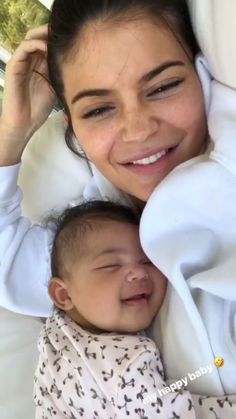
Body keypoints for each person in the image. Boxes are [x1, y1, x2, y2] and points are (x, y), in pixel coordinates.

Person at [0, 0, 235, 404]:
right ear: (72, 127)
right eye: (99, 109)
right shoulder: (93, 239)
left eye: (163, 87)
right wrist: (12, 133)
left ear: (201, 72)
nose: (139, 130)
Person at [34, 200, 234, 418]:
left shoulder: (56, 335)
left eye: (148, 262)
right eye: (111, 265)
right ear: (63, 294)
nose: (139, 272)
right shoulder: (123, 361)